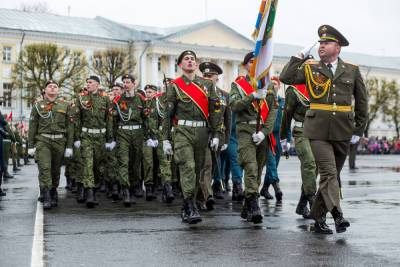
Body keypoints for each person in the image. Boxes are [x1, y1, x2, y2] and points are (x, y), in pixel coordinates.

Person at [279, 25, 368, 234]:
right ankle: (337, 214)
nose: (321, 46)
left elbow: (362, 101)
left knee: (332, 177)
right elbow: (286, 78)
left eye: (326, 43)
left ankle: (318, 218)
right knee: (328, 173)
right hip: (317, 130)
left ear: (337, 47)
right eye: (320, 43)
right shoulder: (310, 68)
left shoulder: (352, 70)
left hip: (343, 130)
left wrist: (358, 130)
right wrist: (299, 55)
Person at [162, 50, 221, 224]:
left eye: (192, 59)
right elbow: (167, 114)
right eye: (186, 59)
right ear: (180, 65)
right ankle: (190, 206)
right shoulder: (175, 85)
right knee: (188, 166)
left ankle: (189, 204)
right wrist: (165, 139)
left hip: (202, 133)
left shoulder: (207, 85)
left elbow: (215, 111)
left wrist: (217, 133)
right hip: (183, 131)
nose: (190, 61)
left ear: (196, 65)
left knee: (197, 171)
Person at [230, 51, 278, 224]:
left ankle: (247, 206)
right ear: (245, 65)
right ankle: (254, 204)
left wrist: (264, 132)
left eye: (258, 62)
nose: (254, 65)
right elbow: (234, 106)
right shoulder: (238, 85)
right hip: (245, 129)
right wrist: (252, 96)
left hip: (262, 132)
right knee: (250, 166)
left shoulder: (269, 86)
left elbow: (273, 111)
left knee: (257, 170)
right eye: (251, 62)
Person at [27, 80, 74, 209]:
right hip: (43, 141)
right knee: (45, 168)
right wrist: (30, 146)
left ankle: (53, 191)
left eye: (55, 87)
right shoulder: (38, 106)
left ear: (58, 91)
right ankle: (47, 195)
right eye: (50, 87)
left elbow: (70, 127)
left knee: (55, 170)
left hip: (59, 141)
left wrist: (69, 146)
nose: (52, 88)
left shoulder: (65, 105)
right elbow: (32, 127)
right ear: (45, 90)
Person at [75, 75, 113, 208]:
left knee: (98, 165)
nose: (88, 85)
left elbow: (109, 119)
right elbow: (77, 119)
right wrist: (77, 137)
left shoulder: (105, 99)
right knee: (88, 163)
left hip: (100, 137)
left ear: (97, 84)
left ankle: (93, 187)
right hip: (86, 136)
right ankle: (90, 193)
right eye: (87, 83)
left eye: (90, 82)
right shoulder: (81, 99)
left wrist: (110, 139)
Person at [280, 83, 317, 219]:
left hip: (317, 132)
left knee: (314, 170)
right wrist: (284, 137)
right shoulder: (294, 90)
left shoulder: (320, 87)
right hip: (301, 131)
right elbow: (287, 114)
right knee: (309, 163)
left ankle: (302, 204)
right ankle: (314, 203)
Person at [112, 74, 148, 206]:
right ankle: (125, 190)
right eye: (124, 82)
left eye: (128, 82)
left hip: (138, 133)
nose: (125, 84)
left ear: (134, 84)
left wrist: (148, 135)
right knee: (123, 161)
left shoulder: (141, 99)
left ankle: (134, 187)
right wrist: (112, 138)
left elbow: (146, 118)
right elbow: (113, 120)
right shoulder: (117, 100)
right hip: (123, 132)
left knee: (135, 162)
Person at [142, 84, 175, 203]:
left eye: (150, 92)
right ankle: (149, 187)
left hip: (160, 137)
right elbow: (142, 122)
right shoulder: (143, 104)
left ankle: (167, 187)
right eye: (146, 92)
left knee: (164, 163)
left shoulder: (160, 102)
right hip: (147, 138)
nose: (148, 94)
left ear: (155, 92)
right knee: (148, 163)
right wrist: (147, 136)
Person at [260, 77, 286, 202]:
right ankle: (277, 188)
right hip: (267, 136)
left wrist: (287, 139)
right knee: (271, 164)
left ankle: (265, 188)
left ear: (279, 86)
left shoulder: (282, 102)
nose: (273, 86)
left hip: (278, 138)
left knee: (274, 164)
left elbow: (285, 122)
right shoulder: (265, 100)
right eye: (271, 84)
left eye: (276, 84)